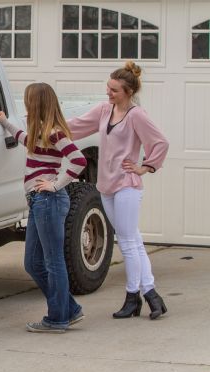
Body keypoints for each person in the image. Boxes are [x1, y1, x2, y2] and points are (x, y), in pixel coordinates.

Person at [66, 61, 169, 320]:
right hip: (106, 185)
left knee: (127, 242)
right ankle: (152, 296)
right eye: (108, 88)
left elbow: (160, 143)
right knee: (132, 240)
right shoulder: (104, 110)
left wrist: (145, 167)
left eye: (114, 90)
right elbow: (76, 126)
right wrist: (48, 129)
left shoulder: (137, 115)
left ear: (128, 92)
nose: (108, 93)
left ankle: (132, 296)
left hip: (127, 186)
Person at [0, 83, 87, 333]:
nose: (25, 103)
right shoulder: (39, 131)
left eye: (27, 100)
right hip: (38, 202)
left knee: (53, 261)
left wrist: (56, 185)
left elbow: (78, 160)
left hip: (48, 201)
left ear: (35, 103)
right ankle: (70, 309)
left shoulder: (55, 132)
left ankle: (57, 319)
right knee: (33, 263)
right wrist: (4, 122)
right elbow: (24, 140)